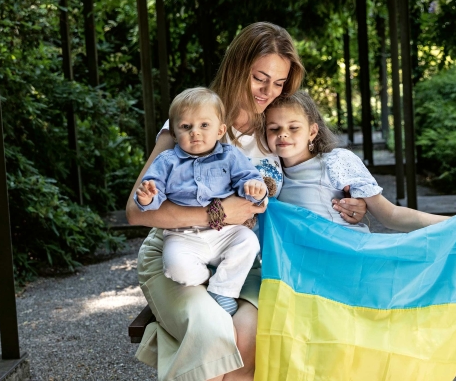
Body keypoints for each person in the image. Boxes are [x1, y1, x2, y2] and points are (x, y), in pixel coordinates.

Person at [126, 22, 368, 381]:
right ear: (238, 67)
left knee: (248, 339)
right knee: (213, 338)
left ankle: (174, 344)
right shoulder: (196, 120)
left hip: (242, 260)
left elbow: (310, 177)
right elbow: (135, 211)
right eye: (259, 78)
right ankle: (180, 342)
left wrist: (350, 203)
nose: (269, 92)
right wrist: (217, 213)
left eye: (279, 83)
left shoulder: (274, 127)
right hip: (177, 251)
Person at [264, 90, 456, 236]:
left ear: (312, 131)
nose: (283, 134)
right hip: (304, 272)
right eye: (274, 128)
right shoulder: (268, 174)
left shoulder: (336, 162)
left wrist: (450, 222)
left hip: (349, 259)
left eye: (294, 127)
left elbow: (390, 215)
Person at [134, 87, 267, 315]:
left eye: (204, 125)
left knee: (248, 243)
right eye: (186, 127)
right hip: (182, 235)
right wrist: (147, 198)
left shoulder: (230, 156)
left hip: (225, 231)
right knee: (175, 267)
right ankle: (209, 278)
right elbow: (154, 193)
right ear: (174, 133)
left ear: (220, 130)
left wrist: (255, 189)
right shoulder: (166, 161)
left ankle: (223, 291)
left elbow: (249, 179)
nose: (195, 132)